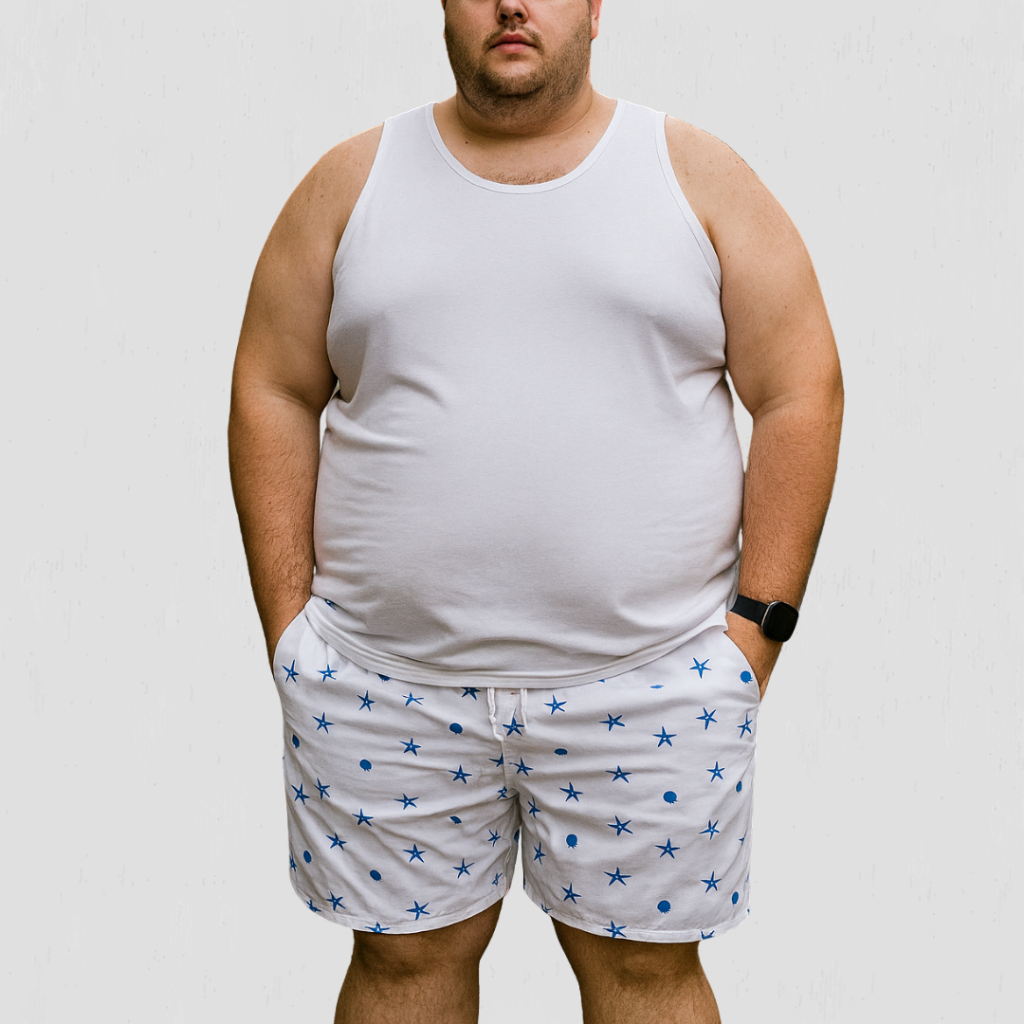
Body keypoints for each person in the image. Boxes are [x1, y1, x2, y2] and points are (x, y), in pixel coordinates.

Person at [228, 1, 843, 1021]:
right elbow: (271, 386)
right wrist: (289, 628)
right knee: (403, 967)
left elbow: (799, 389)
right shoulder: (351, 182)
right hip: (384, 687)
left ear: (596, 8)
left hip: (652, 685)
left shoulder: (693, 175)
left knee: (645, 974)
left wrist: (755, 634)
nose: (512, 3)